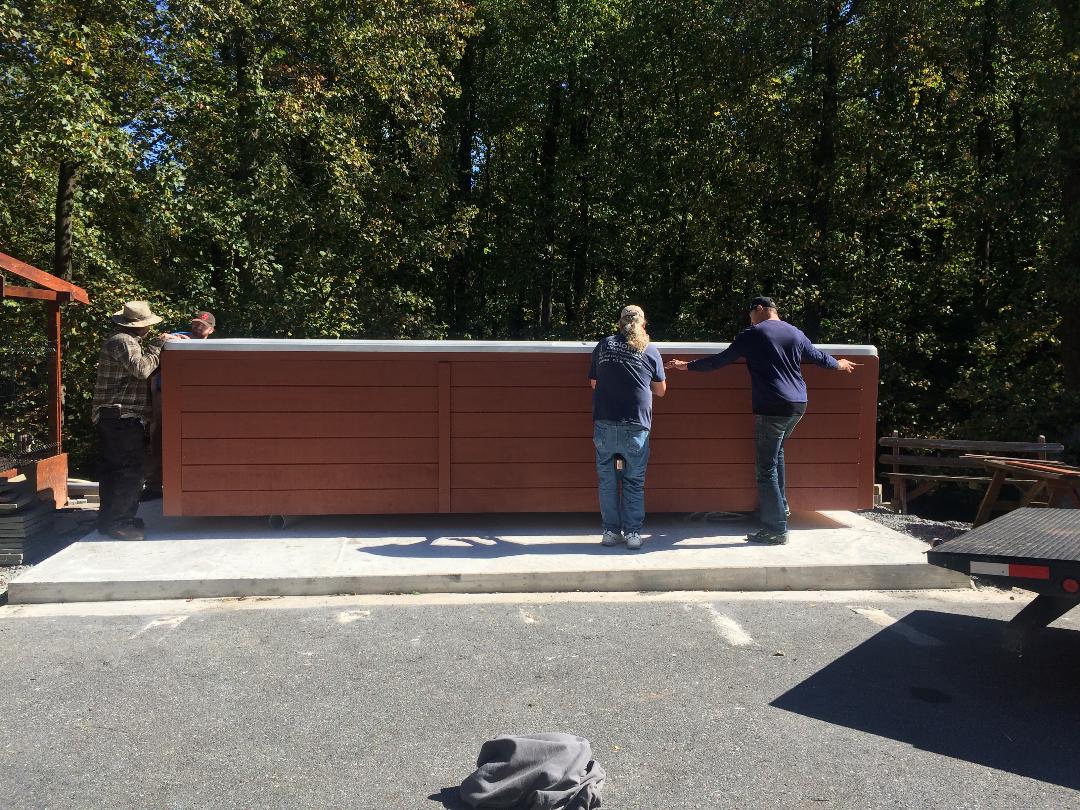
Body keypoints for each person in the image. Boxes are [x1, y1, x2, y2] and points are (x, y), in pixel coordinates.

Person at [666, 296, 857, 545]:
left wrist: (686, 366)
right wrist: (840, 364)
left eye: (750, 314)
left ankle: (776, 529)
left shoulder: (753, 333)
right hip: (798, 404)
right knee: (776, 456)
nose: (750, 319)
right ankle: (781, 509)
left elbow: (720, 360)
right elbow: (820, 358)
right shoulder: (795, 332)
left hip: (772, 407)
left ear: (759, 309)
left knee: (765, 470)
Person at [92, 301, 176, 540]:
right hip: (122, 417)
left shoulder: (125, 341)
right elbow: (142, 369)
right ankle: (120, 523)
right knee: (130, 471)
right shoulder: (123, 341)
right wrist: (160, 345)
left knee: (114, 471)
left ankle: (108, 520)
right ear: (141, 326)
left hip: (115, 417)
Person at [588, 305, 666, 550]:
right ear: (643, 325)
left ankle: (611, 532)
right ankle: (633, 533)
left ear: (619, 323)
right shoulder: (649, 349)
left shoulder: (604, 345)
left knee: (607, 481)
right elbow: (661, 390)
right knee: (633, 481)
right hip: (635, 424)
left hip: (605, 422)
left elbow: (593, 383)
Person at [142, 310, 216, 500]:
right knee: (158, 438)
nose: (197, 327)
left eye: (202, 325)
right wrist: (167, 337)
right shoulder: (178, 337)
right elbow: (160, 339)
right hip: (164, 396)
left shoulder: (215, 347)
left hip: (197, 400)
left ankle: (195, 486)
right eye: (196, 323)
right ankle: (153, 486)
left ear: (211, 330)